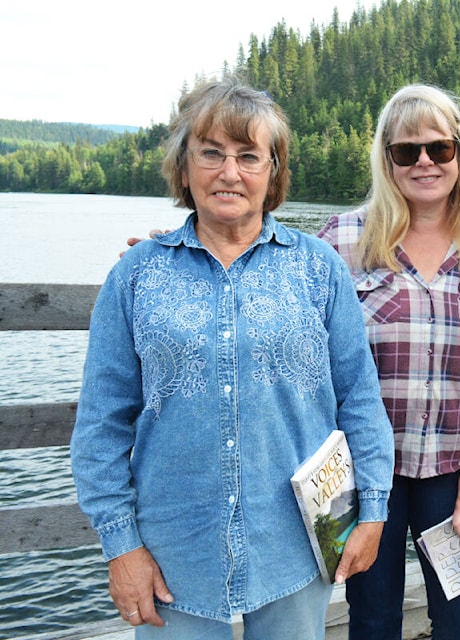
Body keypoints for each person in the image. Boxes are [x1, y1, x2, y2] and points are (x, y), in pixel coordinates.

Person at [70, 78, 394, 639]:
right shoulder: (136, 276)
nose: (229, 172)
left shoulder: (318, 271)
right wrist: (121, 546)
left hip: (296, 548)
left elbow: (360, 398)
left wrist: (373, 510)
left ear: (273, 171)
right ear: (184, 164)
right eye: (211, 153)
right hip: (173, 559)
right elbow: (100, 425)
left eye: (249, 156)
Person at [317, 84, 460, 639]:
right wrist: (188, 251)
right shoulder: (339, 241)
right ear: (386, 160)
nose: (426, 162)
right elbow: (271, 307)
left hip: (457, 471)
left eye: (440, 148)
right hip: (367, 477)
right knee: (372, 618)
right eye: (407, 151)